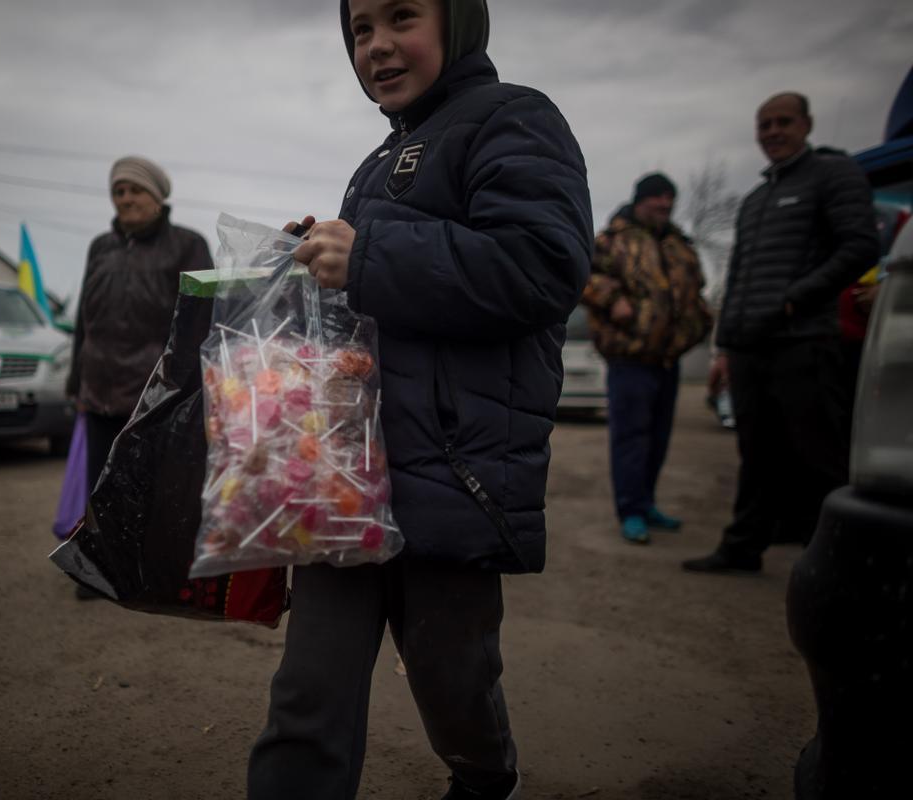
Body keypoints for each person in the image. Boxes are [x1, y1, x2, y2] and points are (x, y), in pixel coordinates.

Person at [247, 2, 592, 798]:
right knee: (308, 694)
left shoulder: (515, 119)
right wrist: (305, 262)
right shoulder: (377, 160)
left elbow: (543, 266)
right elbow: (370, 300)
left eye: (401, 16)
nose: (377, 46)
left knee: (453, 678)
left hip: (451, 476)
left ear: (458, 21)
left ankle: (483, 775)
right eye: (360, 29)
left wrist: (368, 253)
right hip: (345, 482)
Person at [683, 92, 879, 574]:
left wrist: (798, 297)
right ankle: (743, 546)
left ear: (806, 124)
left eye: (783, 122)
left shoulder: (833, 175)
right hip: (750, 346)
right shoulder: (754, 200)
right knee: (756, 453)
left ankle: (841, 558)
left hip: (804, 340)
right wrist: (725, 348)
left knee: (818, 455)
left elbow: (861, 245)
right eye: (764, 123)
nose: (772, 131)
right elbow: (741, 274)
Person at [67, 155, 213, 598]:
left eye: (135, 190)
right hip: (99, 387)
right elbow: (83, 319)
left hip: (155, 391)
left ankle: (151, 573)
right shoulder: (100, 247)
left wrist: (187, 387)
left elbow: (201, 319)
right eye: (119, 191)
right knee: (98, 484)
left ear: (157, 197)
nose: (125, 198)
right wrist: (76, 383)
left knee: (151, 487)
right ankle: (96, 571)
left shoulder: (187, 244)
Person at [581, 173, 711, 543]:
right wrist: (611, 298)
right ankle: (631, 510)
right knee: (631, 438)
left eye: (669, 199)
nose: (664, 205)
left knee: (658, 438)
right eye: (657, 198)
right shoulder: (613, 240)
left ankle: (647, 501)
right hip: (630, 357)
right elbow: (583, 275)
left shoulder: (677, 244)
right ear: (640, 201)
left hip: (668, 357)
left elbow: (696, 287)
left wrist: (699, 321)